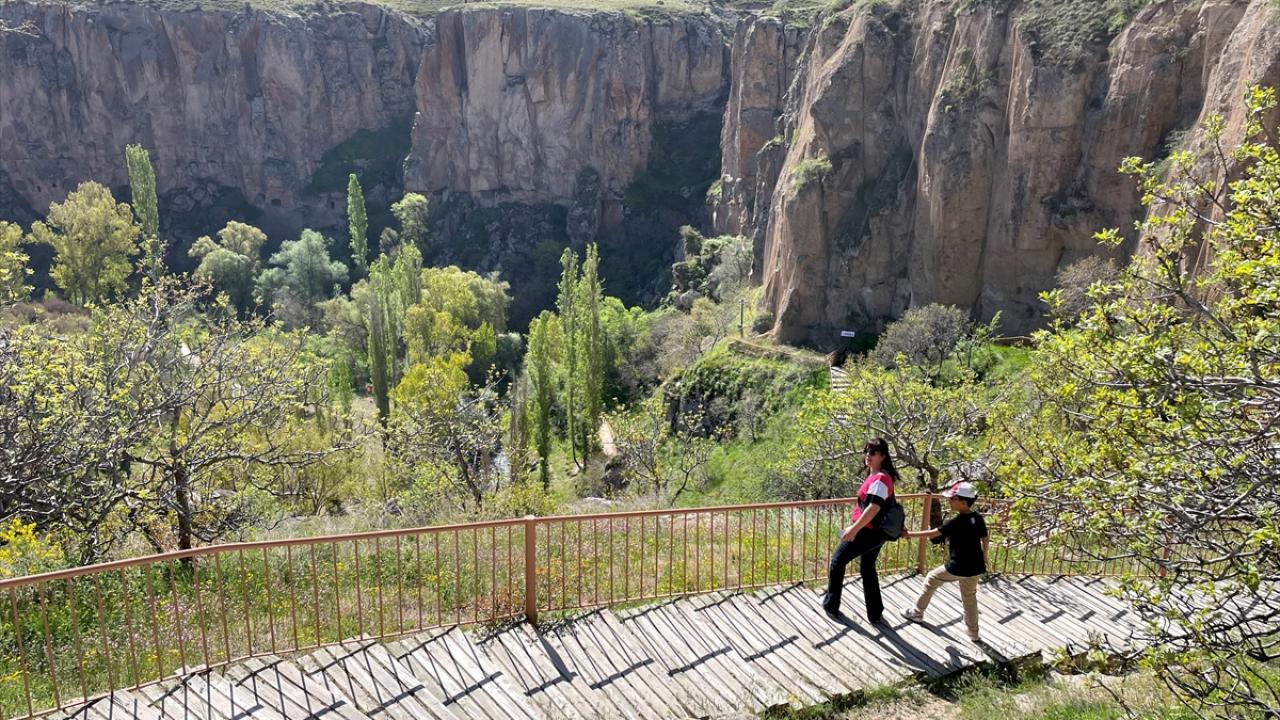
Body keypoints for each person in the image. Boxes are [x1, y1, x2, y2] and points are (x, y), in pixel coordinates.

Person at [821, 438, 898, 624]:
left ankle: (831, 605)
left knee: (837, 561)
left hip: (867, 532)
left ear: (883, 456)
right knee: (867, 568)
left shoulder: (880, 479)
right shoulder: (880, 476)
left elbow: (874, 508)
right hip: (876, 533)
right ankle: (875, 613)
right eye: (866, 452)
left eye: (872, 453)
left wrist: (854, 530)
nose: (867, 456)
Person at [900, 481, 988, 643]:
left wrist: (908, 534)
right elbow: (985, 538)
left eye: (953, 499)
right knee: (969, 597)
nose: (949, 501)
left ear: (963, 502)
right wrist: (985, 556)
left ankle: (917, 613)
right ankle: (973, 633)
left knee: (932, 578)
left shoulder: (956, 522)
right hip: (976, 566)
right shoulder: (977, 518)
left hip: (958, 566)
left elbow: (933, 533)